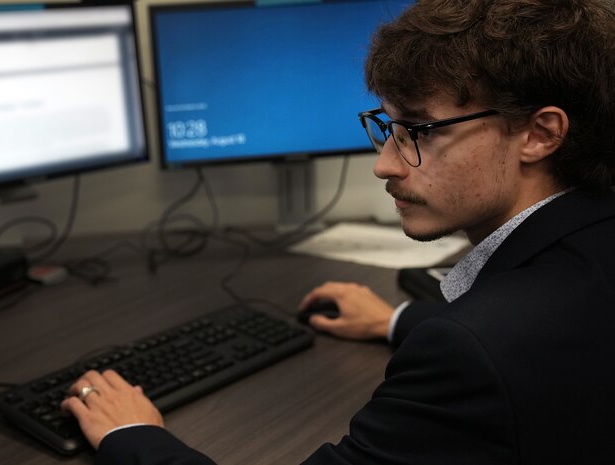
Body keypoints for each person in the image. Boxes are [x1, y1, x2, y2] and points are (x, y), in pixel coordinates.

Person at [61, 0, 615, 463]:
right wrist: (397, 318)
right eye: (388, 128)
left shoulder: (468, 351)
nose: (386, 165)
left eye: (417, 130)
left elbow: (494, 349)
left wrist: (130, 436)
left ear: (540, 134)